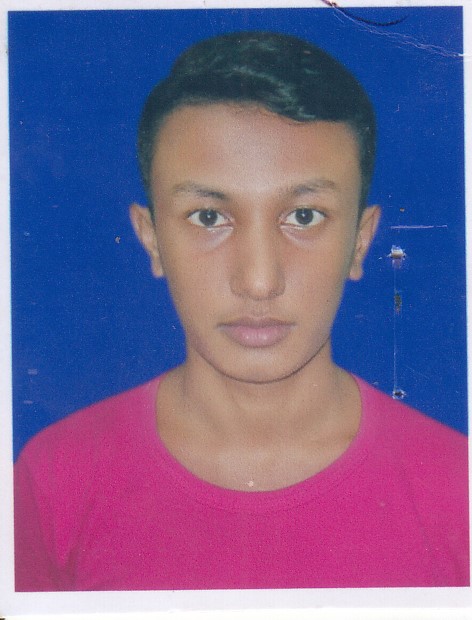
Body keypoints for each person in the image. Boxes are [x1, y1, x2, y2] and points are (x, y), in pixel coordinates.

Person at [14, 31, 468, 591]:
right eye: (209, 218)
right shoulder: (54, 480)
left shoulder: (459, 492)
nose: (258, 282)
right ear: (151, 238)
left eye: (304, 217)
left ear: (360, 241)